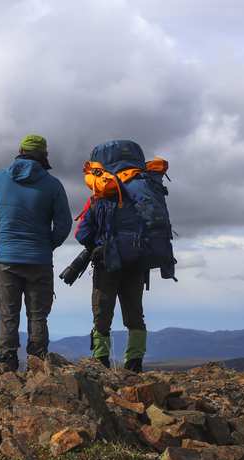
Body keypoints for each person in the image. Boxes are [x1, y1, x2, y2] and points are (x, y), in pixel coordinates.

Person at [74, 140, 174, 372]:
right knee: (134, 313)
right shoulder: (146, 191)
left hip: (106, 261)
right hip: (137, 262)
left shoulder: (101, 194)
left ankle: (101, 361)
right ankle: (135, 363)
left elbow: (82, 234)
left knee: (102, 313)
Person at [0, 135, 72, 371]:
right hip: (39, 259)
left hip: (7, 258)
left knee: (7, 312)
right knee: (38, 314)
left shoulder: (2, 178)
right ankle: (37, 360)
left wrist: (2, 197)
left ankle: (7, 359)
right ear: (44, 154)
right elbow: (64, 224)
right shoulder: (52, 184)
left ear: (20, 151)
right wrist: (47, 245)